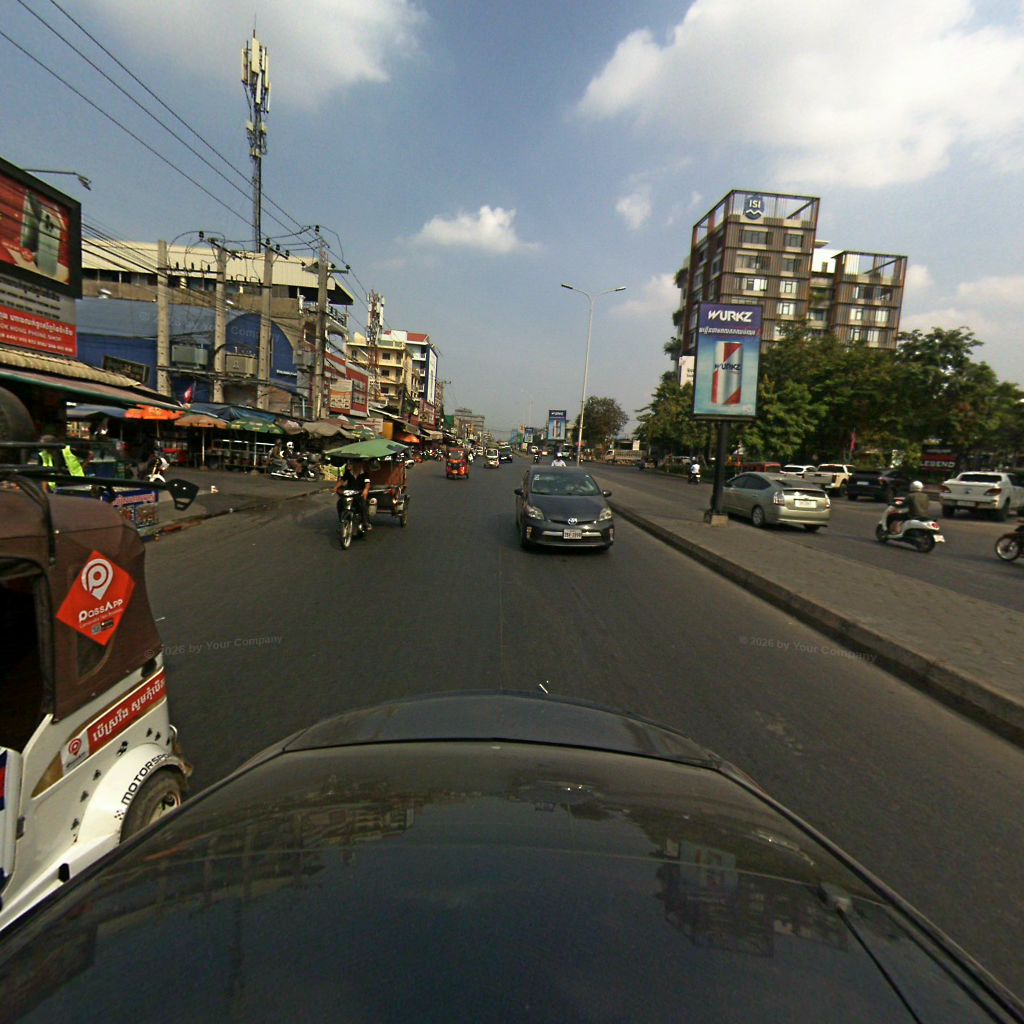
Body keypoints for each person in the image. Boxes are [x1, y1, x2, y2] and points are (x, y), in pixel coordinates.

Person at [337, 460, 372, 532]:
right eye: (354, 463)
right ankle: (341, 521)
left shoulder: (365, 474)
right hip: (349, 494)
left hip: (359, 494)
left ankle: (366, 523)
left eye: (358, 464)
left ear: (360, 464)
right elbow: (342, 481)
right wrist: (335, 487)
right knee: (339, 503)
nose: (356, 466)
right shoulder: (348, 472)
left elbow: (367, 484)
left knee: (363, 505)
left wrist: (365, 489)